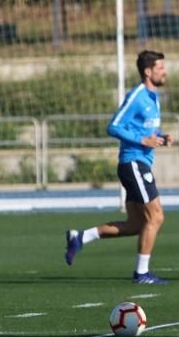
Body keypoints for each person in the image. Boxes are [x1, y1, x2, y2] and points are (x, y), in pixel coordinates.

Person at [64, 51, 173, 284]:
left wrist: (160, 137)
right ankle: (141, 274)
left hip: (139, 164)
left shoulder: (154, 98)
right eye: (161, 67)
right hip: (133, 163)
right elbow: (113, 126)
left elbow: (144, 130)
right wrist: (142, 141)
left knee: (136, 225)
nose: (165, 71)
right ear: (148, 71)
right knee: (156, 217)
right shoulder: (137, 95)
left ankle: (81, 237)